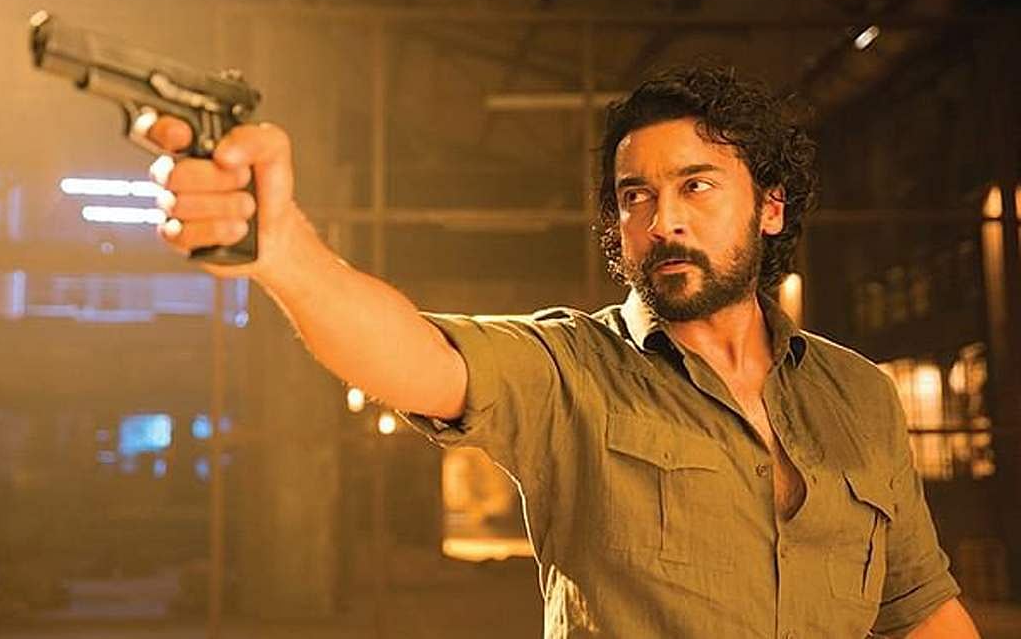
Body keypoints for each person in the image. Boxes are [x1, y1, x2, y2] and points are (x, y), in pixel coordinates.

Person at [144, 65, 981, 638]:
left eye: (696, 185)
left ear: (770, 207)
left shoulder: (858, 393)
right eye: (635, 196)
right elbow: (419, 357)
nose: (663, 220)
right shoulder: (573, 371)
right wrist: (282, 248)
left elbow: (919, 606)